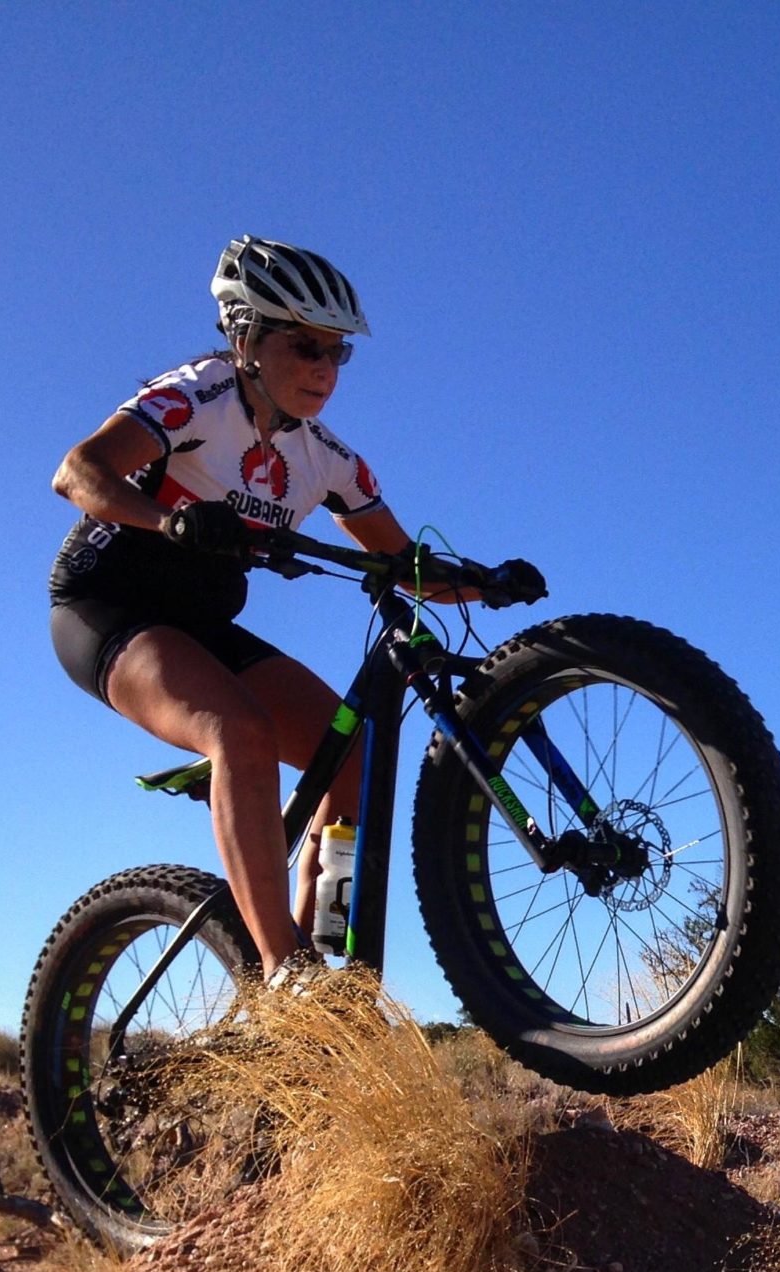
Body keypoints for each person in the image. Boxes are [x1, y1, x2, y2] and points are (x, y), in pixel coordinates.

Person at [48, 235, 537, 973]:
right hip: (109, 608)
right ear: (244, 337)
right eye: (304, 345)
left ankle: (319, 942)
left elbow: (403, 564)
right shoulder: (193, 397)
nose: (322, 368)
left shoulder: (325, 458)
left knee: (352, 756)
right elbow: (77, 472)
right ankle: (283, 973)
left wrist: (486, 581)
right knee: (236, 730)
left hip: (204, 627)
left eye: (337, 352)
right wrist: (168, 519)